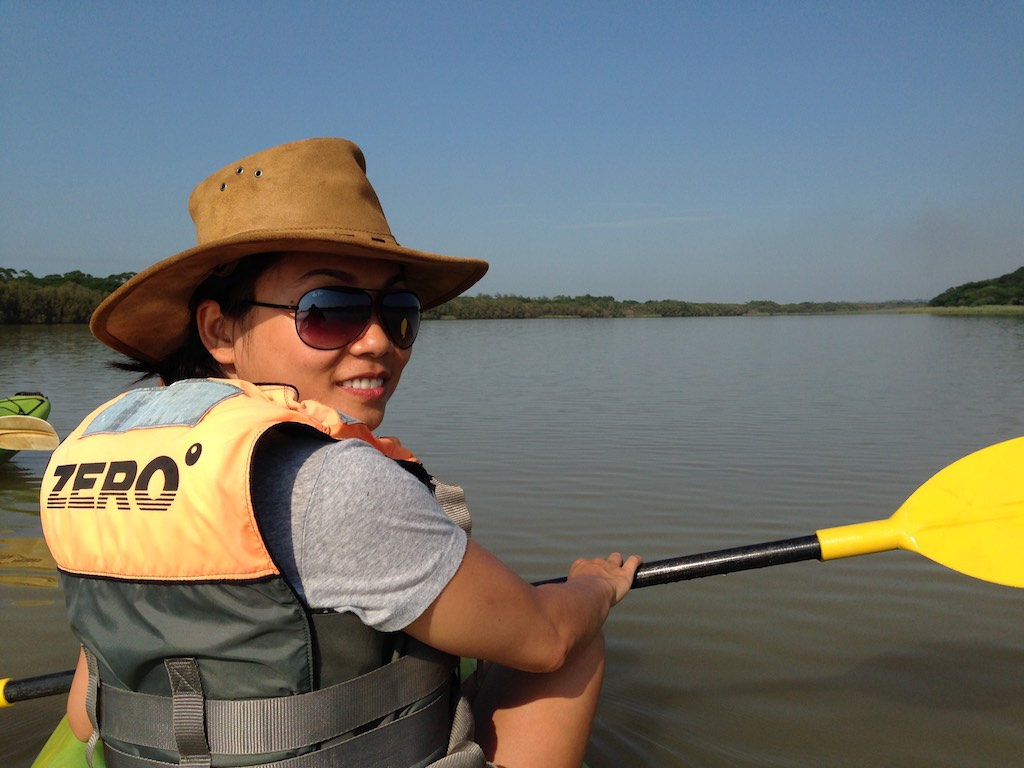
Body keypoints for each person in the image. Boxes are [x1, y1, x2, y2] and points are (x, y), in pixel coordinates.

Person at [41, 138, 641, 768]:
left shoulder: (88, 457)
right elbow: (543, 639)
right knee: (573, 643)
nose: (380, 341)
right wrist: (592, 588)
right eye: (329, 310)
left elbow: (86, 710)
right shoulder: (332, 479)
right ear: (220, 329)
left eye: (400, 312)